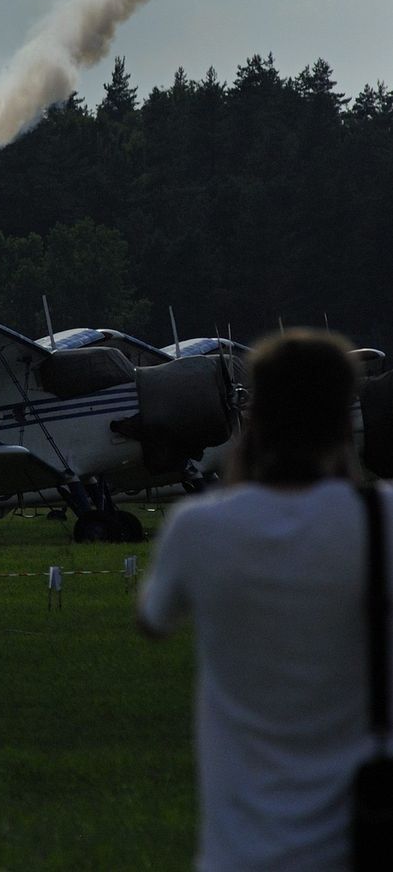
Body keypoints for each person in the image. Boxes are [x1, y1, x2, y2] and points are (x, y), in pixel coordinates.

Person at [138, 329, 393, 870]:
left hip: (239, 853)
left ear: (256, 415)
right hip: (362, 840)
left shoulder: (200, 528)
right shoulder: (383, 518)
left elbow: (153, 620)